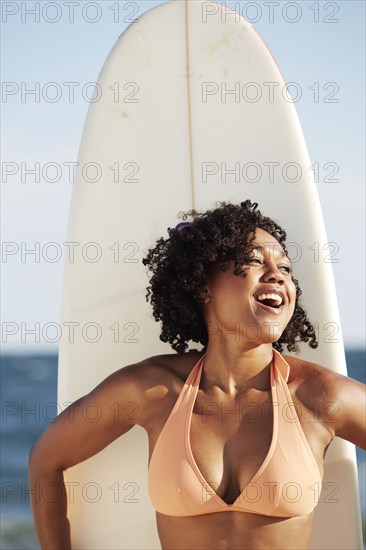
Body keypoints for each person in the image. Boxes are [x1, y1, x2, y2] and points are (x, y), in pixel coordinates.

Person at [29, 200, 365, 550]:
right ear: (203, 287)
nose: (278, 275)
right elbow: (46, 460)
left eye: (285, 268)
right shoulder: (153, 390)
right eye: (254, 261)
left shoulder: (320, 396)